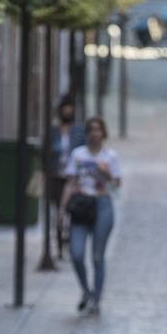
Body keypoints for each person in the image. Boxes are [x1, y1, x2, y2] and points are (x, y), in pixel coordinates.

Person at [61, 116, 121, 316]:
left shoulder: (110, 156)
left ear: (104, 133)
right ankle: (86, 291)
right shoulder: (78, 155)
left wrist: (106, 174)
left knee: (97, 256)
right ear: (87, 133)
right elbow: (70, 182)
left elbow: (116, 186)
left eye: (99, 130)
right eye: (92, 130)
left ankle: (96, 299)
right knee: (76, 254)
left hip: (102, 204)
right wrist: (62, 210)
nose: (95, 134)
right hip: (81, 205)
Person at [46, 97, 86, 251]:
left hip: (72, 178)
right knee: (58, 210)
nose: (67, 111)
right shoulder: (53, 132)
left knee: (70, 208)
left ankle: (69, 236)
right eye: (65, 108)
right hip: (56, 176)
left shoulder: (79, 132)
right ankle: (59, 239)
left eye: (69, 108)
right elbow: (46, 154)